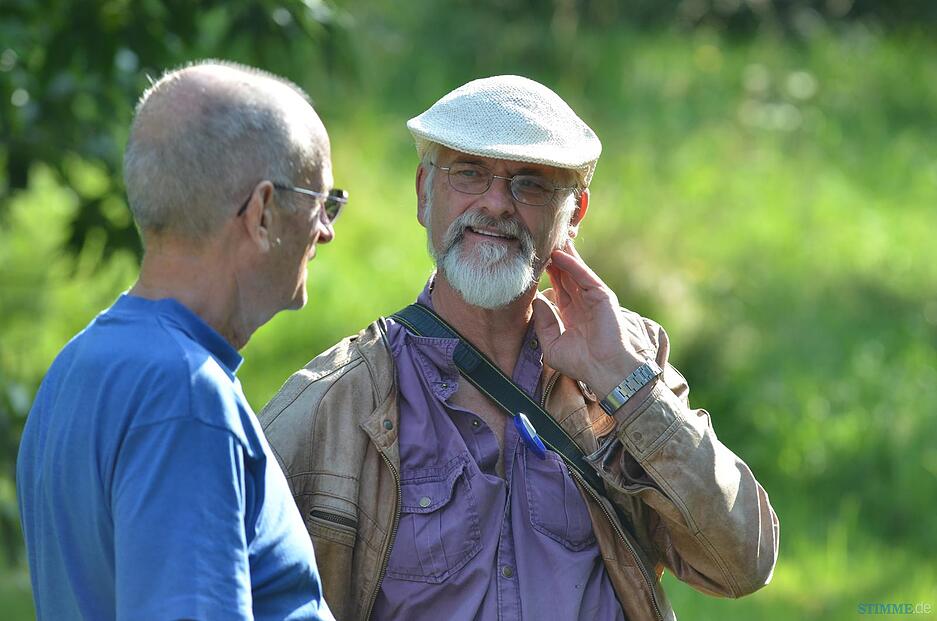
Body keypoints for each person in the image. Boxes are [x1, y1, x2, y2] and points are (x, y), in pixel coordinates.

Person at [260, 75, 779, 621]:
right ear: (423, 193)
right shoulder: (334, 403)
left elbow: (742, 562)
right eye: (469, 173)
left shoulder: (628, 364)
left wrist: (624, 382)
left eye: (529, 184)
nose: (497, 203)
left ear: (574, 213)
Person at [16, 61, 345, 620]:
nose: (326, 230)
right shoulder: (187, 398)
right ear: (262, 212)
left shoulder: (77, 366)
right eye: (322, 202)